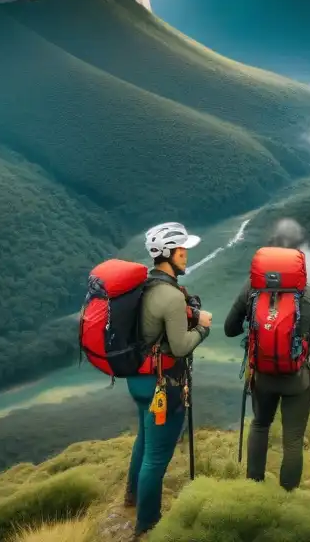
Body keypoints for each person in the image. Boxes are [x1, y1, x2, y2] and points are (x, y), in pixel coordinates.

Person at [224, 219, 310, 491]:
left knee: (260, 425)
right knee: (293, 439)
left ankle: (253, 487)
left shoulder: (250, 292)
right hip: (298, 381)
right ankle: (287, 497)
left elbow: (229, 329)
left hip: (262, 376)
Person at [124, 222, 212, 538]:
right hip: (164, 387)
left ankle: (131, 496)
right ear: (169, 254)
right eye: (182, 250)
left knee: (144, 441)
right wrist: (202, 327)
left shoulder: (144, 288)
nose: (186, 255)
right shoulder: (171, 297)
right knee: (157, 458)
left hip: (138, 381)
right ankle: (147, 525)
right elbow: (180, 346)